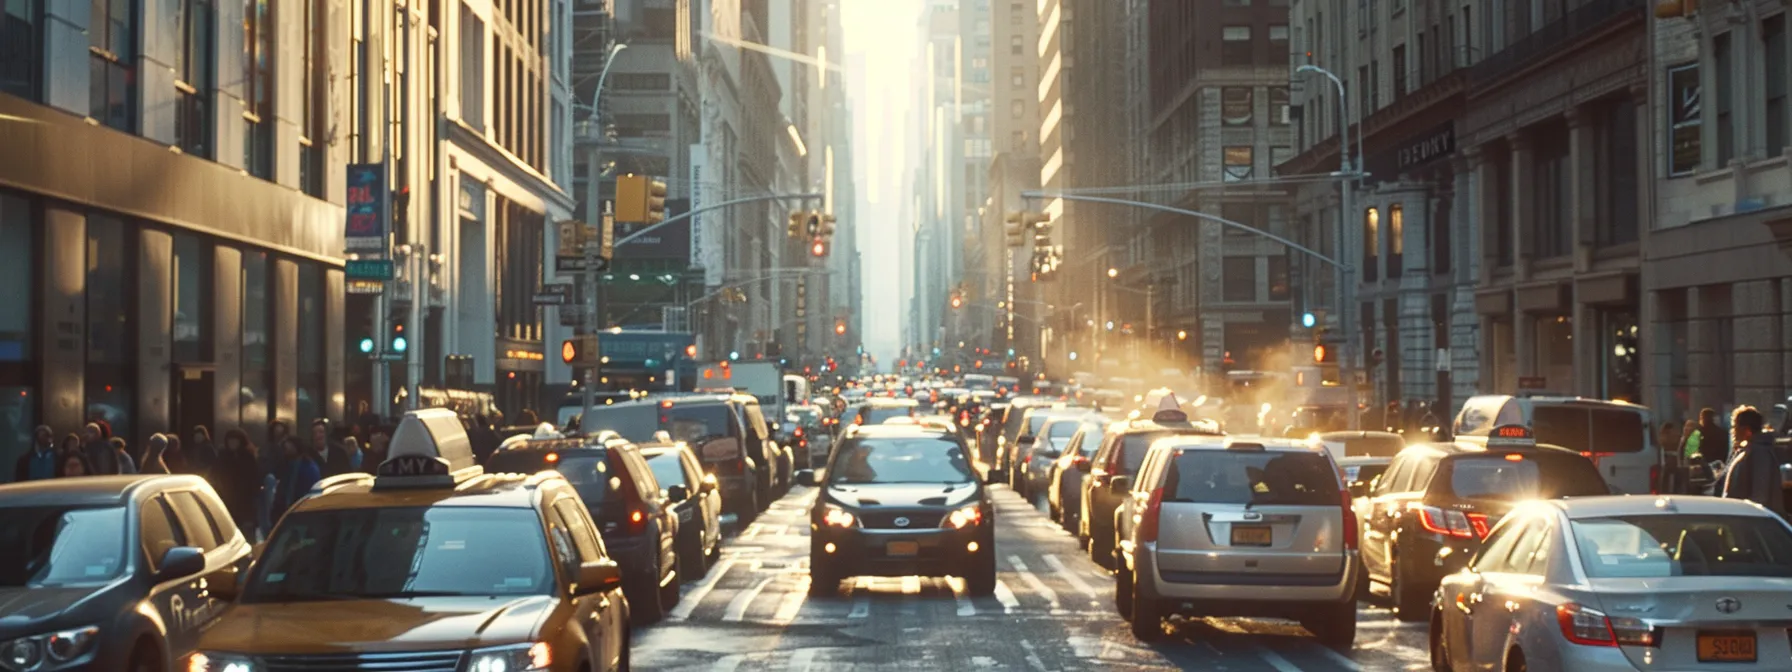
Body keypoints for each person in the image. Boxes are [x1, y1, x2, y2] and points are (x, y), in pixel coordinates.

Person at [1722, 406, 1784, 516]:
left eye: (1735, 427)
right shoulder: (1750, 451)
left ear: (1746, 430)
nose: (1733, 431)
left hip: (1749, 521)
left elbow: (1760, 495)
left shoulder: (1759, 453)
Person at [212, 429, 263, 537]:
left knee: (246, 531)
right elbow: (215, 475)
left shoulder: (248, 457)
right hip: (227, 498)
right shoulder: (223, 457)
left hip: (245, 500)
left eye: (235, 441)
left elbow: (255, 477)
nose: (232, 444)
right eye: (230, 441)